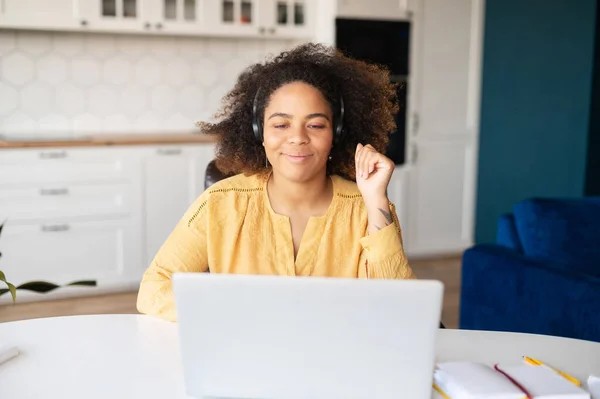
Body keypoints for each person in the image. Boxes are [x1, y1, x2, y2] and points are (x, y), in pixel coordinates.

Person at [137, 43, 416, 322]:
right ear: (259, 132)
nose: (297, 138)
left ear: (337, 133)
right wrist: (228, 315)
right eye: (281, 125)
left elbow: (401, 310)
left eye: (316, 125)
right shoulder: (220, 202)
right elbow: (153, 288)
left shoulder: (366, 207)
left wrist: (376, 198)